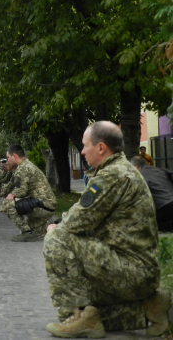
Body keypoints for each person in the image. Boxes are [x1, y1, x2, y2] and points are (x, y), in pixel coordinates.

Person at [43, 121, 168, 338]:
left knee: (56, 238)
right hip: (135, 270)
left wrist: (56, 226)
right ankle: (149, 308)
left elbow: (76, 221)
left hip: (132, 270)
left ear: (101, 148)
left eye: (85, 145)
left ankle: (84, 317)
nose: (82, 151)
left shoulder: (113, 175)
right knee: (67, 311)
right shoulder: (119, 170)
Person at [4, 144, 56, 242]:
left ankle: (27, 233)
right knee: (39, 233)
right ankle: (58, 224)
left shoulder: (22, 168)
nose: (8, 160)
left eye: (8, 157)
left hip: (42, 205)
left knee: (7, 204)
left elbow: (22, 191)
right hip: (47, 204)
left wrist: (12, 194)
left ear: (14, 155)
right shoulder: (26, 164)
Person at [131, 156, 173, 232]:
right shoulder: (160, 169)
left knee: (147, 224)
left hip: (163, 205)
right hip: (170, 202)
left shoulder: (139, 176)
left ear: (136, 167)